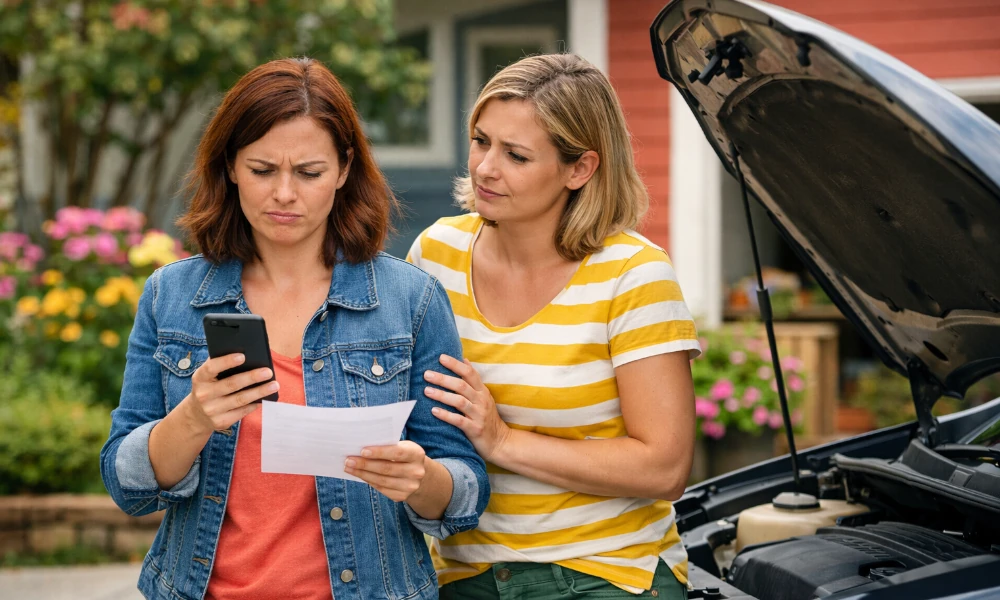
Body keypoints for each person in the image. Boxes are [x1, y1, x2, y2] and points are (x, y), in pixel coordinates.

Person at [100, 57, 489, 600]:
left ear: (344, 170)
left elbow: (465, 492)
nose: (285, 194)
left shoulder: (411, 300)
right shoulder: (172, 297)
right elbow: (127, 485)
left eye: (309, 173)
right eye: (262, 170)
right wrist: (191, 419)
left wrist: (422, 481)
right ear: (230, 166)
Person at [407, 53, 699, 599]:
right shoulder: (437, 253)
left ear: (580, 169)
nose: (486, 168)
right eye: (480, 140)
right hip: (465, 571)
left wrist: (501, 439)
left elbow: (664, 467)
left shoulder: (633, 275)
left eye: (516, 155)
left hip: (605, 573)